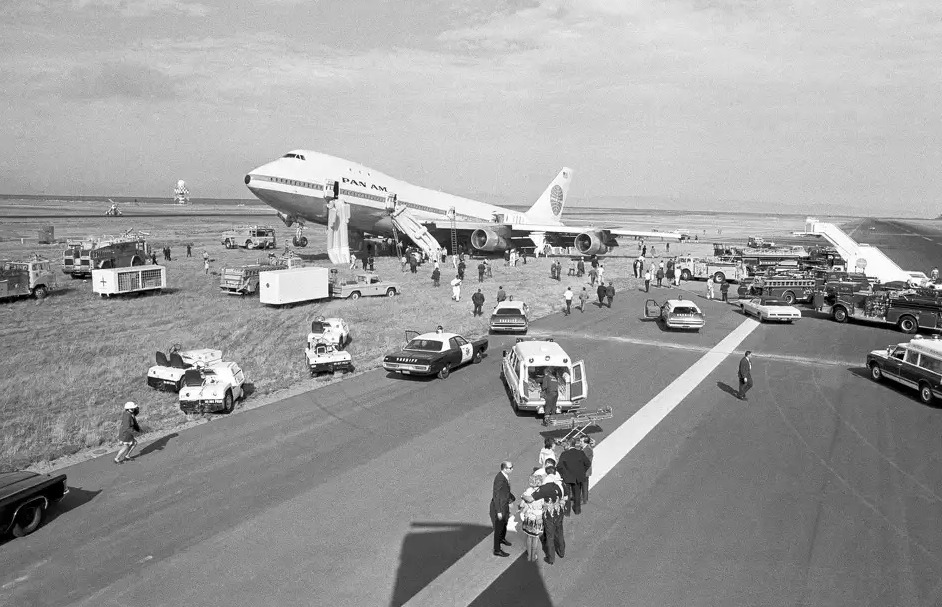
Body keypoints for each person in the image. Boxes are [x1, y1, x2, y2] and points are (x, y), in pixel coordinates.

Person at [557, 440, 590, 516]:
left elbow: (559, 466)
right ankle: (577, 510)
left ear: (568, 445)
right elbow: (587, 463)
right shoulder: (580, 453)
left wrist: (563, 474)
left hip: (567, 477)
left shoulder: (564, 454)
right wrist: (582, 471)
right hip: (577, 477)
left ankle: (567, 512)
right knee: (577, 494)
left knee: (567, 495)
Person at [517, 474, 546, 562]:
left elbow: (521, 504)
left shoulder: (528, 491)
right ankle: (533, 556)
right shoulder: (542, 493)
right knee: (535, 538)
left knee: (529, 537)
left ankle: (529, 556)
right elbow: (544, 505)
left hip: (528, 517)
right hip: (537, 518)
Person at [490, 461, 515, 557]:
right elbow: (496, 496)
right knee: (499, 527)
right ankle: (497, 549)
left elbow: (505, 491)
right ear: (504, 469)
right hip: (501, 506)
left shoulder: (504, 476)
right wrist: (499, 511)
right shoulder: (500, 479)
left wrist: (510, 500)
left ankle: (502, 538)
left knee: (505, 523)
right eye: (510, 467)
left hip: (505, 504)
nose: (512, 469)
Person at [580, 436, 594, 504]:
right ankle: (583, 498)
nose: (580, 443)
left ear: (585, 442)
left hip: (585, 471)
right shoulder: (584, 448)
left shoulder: (587, 450)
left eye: (581, 441)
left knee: (584, 486)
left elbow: (586, 462)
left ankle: (584, 499)